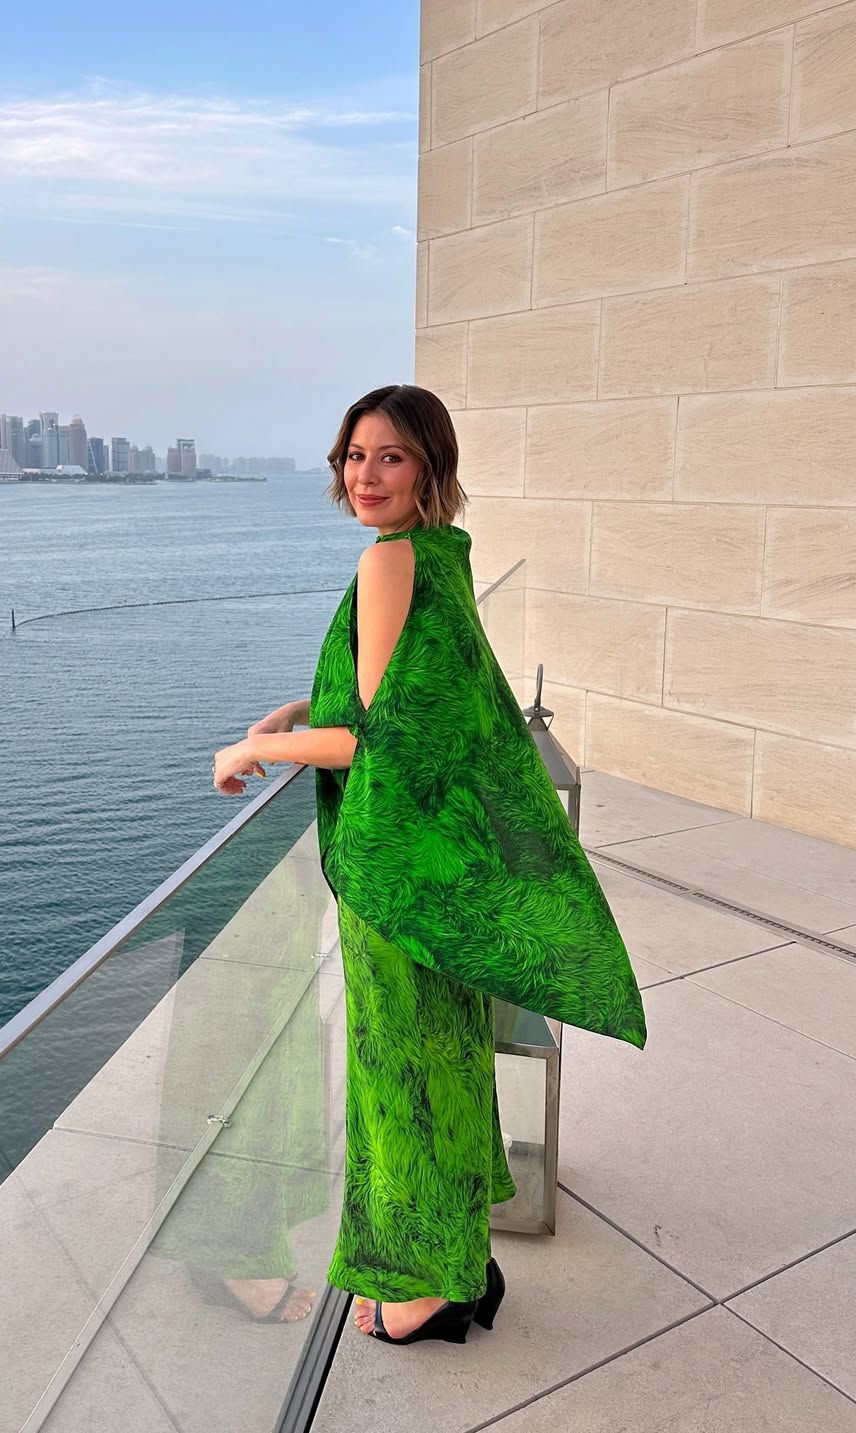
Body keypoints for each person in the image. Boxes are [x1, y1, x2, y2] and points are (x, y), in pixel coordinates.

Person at [214, 384, 646, 1347]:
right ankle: (458, 1257)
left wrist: (251, 750)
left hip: (392, 872)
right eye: (353, 455)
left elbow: (374, 740)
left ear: (429, 468)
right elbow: (406, 688)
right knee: (444, 1057)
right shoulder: (444, 553)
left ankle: (425, 1288)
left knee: (399, 1071)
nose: (364, 475)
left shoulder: (390, 560)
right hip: (438, 870)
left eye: (390, 456)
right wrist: (296, 710)